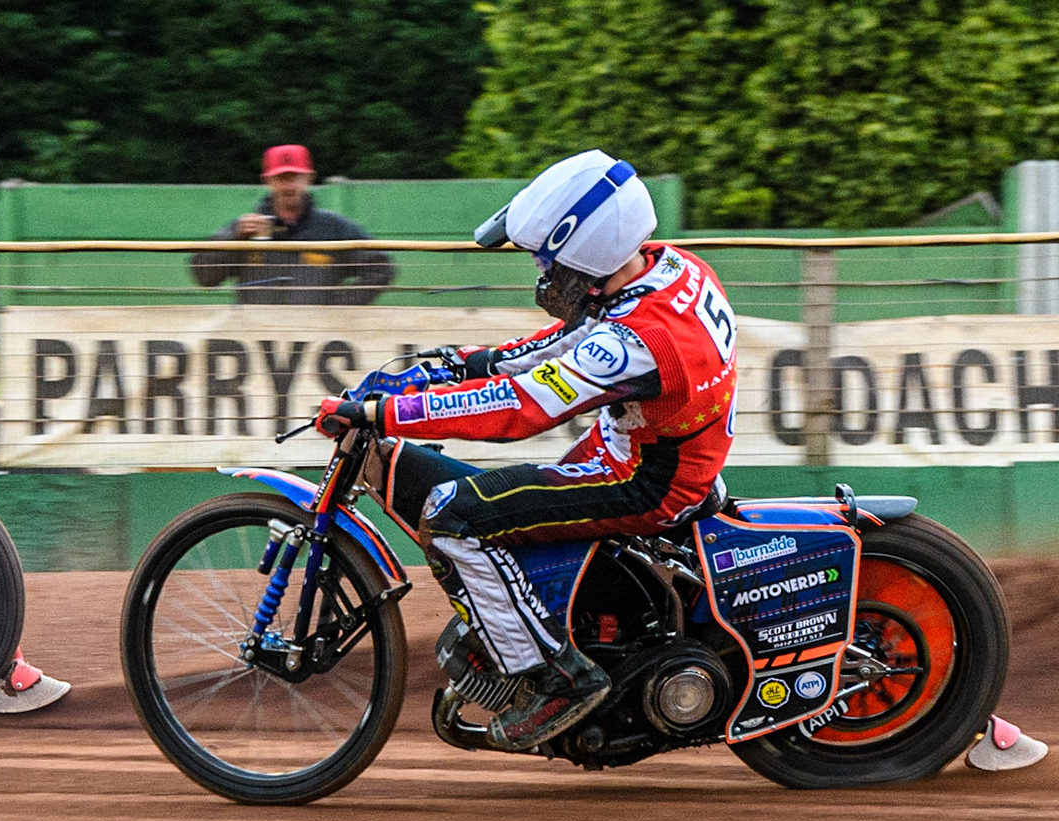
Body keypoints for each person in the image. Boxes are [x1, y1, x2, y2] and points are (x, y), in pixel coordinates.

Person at [315, 149, 738, 749]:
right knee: (497, 502)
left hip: (645, 478)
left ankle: (557, 678)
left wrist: (387, 413)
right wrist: (452, 367)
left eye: (544, 257)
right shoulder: (665, 269)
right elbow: (566, 341)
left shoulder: (639, 339)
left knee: (452, 514)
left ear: (583, 249)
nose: (539, 270)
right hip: (648, 450)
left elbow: (521, 409)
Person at [189, 144, 394, 305]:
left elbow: (381, 268)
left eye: (294, 177)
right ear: (267, 180)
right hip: (254, 341)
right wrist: (233, 237)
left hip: (317, 343)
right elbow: (203, 275)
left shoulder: (334, 227)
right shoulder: (244, 228)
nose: (288, 185)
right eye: (281, 177)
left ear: (309, 178)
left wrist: (340, 309)